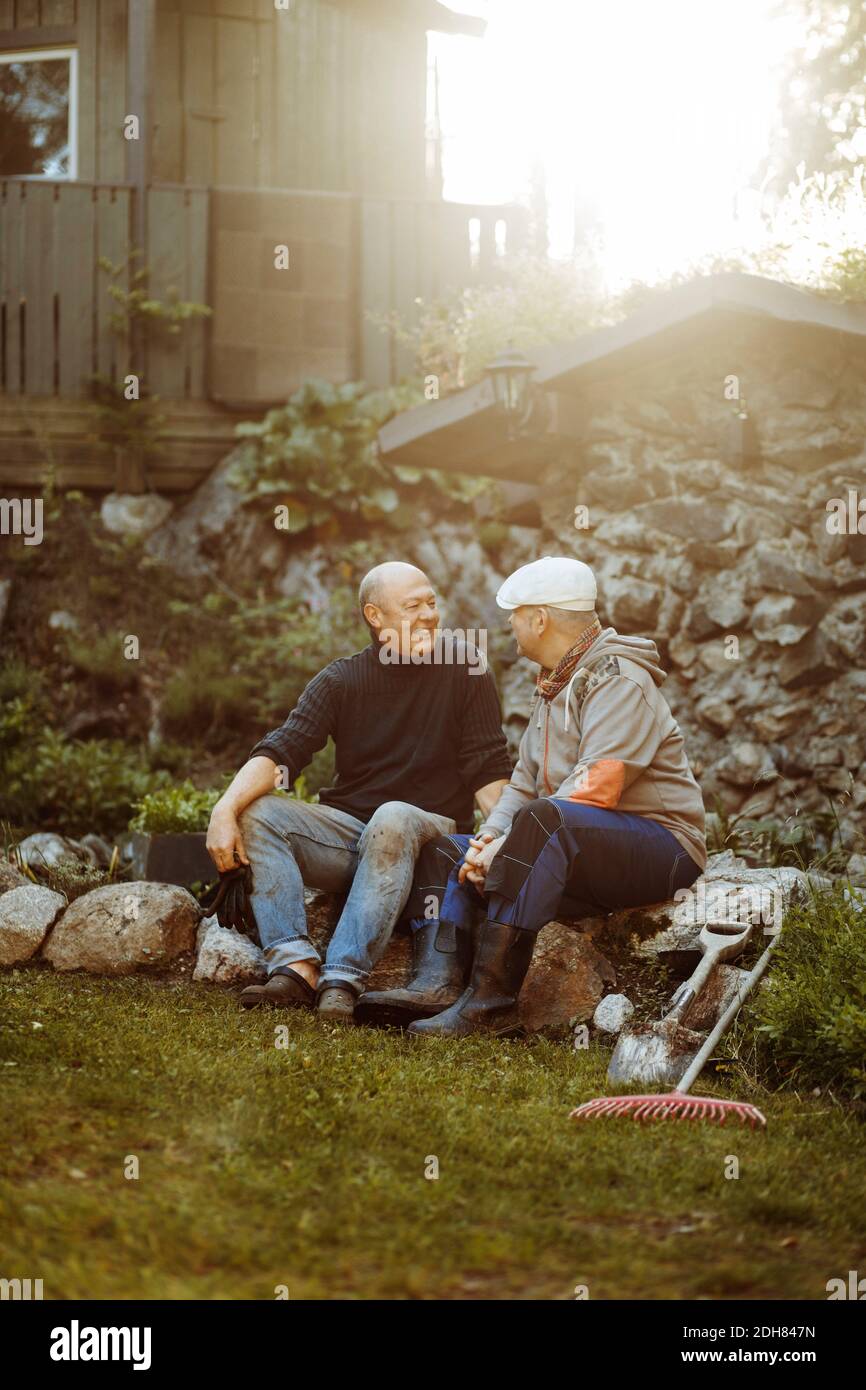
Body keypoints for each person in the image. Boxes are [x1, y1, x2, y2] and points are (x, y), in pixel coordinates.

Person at [360, 556, 707, 1038]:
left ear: (539, 619)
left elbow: (597, 786)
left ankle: (489, 1006)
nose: (509, 623)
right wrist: (489, 839)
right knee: (445, 850)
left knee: (544, 821)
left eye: (515, 613)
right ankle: (434, 986)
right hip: (581, 844)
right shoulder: (553, 682)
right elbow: (522, 781)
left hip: (662, 849)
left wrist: (514, 842)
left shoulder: (618, 678)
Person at [205, 561, 512, 1022]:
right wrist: (225, 809)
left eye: (431, 603)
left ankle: (342, 978)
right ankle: (294, 968)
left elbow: (488, 767)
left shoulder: (465, 671)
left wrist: (505, 834)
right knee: (257, 812)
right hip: (354, 838)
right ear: (375, 616)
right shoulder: (342, 680)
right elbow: (284, 749)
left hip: (430, 836)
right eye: (413, 606)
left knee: (393, 816)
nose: (429, 614)